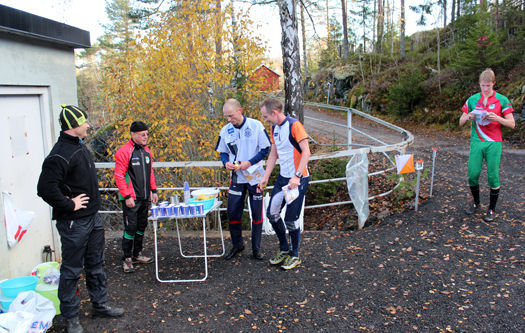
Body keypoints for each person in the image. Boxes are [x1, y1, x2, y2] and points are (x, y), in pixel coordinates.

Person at [37, 105, 124, 333]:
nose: (88, 125)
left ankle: (99, 304)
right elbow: (45, 188)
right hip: (74, 222)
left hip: (92, 219)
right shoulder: (59, 154)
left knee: (96, 264)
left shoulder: (79, 146)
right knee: (71, 270)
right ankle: (71, 317)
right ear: (74, 125)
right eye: (85, 122)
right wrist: (70, 204)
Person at [258, 98, 310, 270]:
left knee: (291, 219)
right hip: (282, 178)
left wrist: (297, 176)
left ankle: (295, 255)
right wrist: (266, 177)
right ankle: (284, 248)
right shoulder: (274, 128)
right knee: (272, 214)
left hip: (298, 178)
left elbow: (306, 152)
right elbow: (273, 154)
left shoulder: (294, 125)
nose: (265, 120)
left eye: (266, 116)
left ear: (274, 112)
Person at [216, 99, 271, 260]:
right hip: (237, 177)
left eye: (231, 116)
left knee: (256, 213)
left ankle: (256, 248)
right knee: (232, 212)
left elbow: (265, 149)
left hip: (255, 176)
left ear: (239, 111)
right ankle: (237, 245)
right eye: (226, 116)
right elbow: (222, 151)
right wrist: (225, 162)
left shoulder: (256, 126)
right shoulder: (225, 130)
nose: (229, 120)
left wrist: (250, 162)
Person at [460, 68, 515, 222]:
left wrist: (497, 118)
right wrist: (469, 117)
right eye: (482, 86)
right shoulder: (472, 99)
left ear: (494, 84)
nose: (485, 89)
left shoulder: (502, 100)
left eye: (488, 86)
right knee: (472, 174)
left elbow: (512, 124)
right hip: (477, 141)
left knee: (493, 176)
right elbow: (461, 121)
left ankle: (491, 209)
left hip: (494, 142)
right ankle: (476, 203)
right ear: (479, 84)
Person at [114, 121, 159, 273]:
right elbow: (119, 175)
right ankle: (127, 258)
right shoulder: (124, 152)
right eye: (142, 135)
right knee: (130, 227)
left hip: (144, 196)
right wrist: (126, 196)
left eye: (147, 134)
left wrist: (154, 190)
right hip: (130, 198)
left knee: (141, 225)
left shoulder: (147, 152)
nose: (146, 137)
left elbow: (150, 172)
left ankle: (136, 254)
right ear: (133, 135)